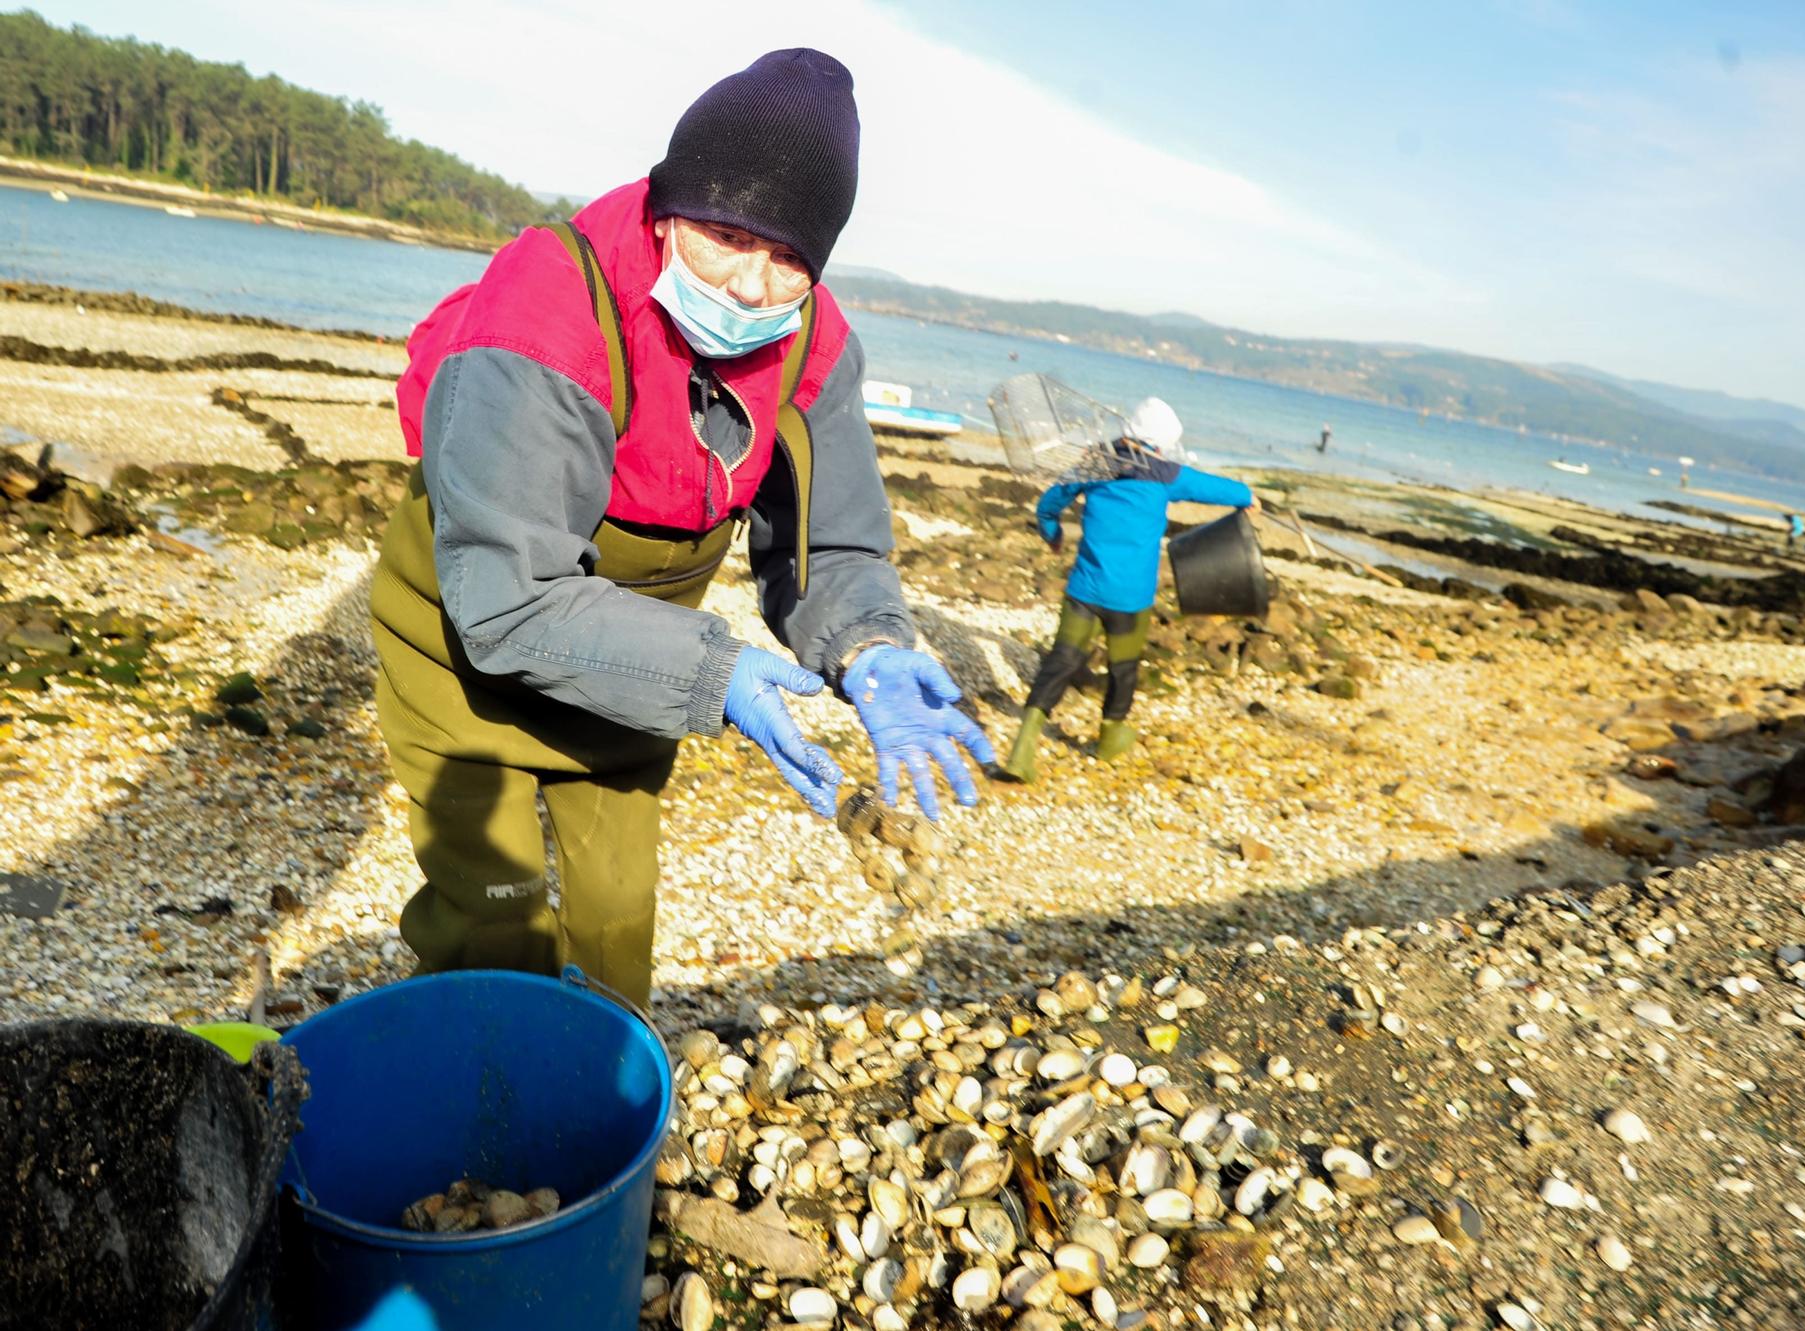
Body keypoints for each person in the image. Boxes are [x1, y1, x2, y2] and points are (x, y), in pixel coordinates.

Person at [371, 49, 993, 1003]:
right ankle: (477, 1127)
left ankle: (592, 1128)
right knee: (492, 927)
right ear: (667, 208)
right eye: (724, 235)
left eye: (789, 258)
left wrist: (866, 640)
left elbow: (834, 543)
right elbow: (508, 598)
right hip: (466, 652)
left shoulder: (814, 343)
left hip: (628, 681)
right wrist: (720, 671)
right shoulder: (544, 305)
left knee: (617, 928)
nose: (751, 285)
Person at [997, 398, 1256, 782]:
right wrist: (1250, 499)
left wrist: (1053, 536)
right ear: (1162, 442)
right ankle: (1110, 738)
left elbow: (1048, 504)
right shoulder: (1168, 475)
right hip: (1131, 599)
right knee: (1123, 669)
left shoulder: (1095, 464)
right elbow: (1225, 490)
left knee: (1061, 662)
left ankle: (1023, 748)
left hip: (1084, 589)